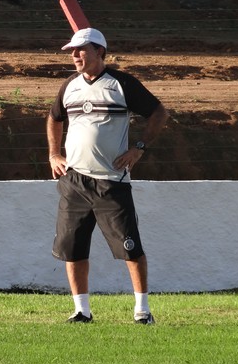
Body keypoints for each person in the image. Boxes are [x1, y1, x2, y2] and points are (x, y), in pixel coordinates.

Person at [46, 27, 169, 324]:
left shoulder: (122, 83)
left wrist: (139, 148)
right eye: (72, 51)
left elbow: (158, 113)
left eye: (81, 50)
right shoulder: (70, 86)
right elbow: (53, 118)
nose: (75, 56)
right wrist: (53, 154)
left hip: (111, 182)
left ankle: (142, 311)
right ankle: (81, 311)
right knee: (72, 248)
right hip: (74, 182)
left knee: (130, 248)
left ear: (100, 51)